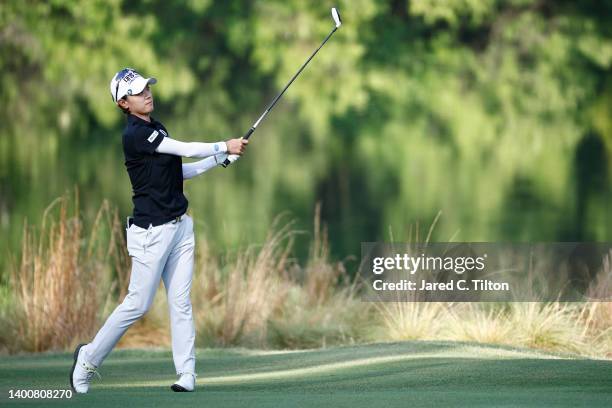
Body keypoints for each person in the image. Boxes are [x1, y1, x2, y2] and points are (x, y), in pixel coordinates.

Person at [69, 68, 248, 394]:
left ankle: (187, 374)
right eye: (138, 92)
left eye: (147, 88)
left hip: (180, 229)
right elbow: (185, 148)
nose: (147, 94)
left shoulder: (156, 127)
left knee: (180, 303)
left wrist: (220, 159)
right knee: (137, 305)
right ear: (124, 103)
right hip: (152, 233)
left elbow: (181, 170)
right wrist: (224, 144)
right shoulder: (135, 135)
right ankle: (87, 360)